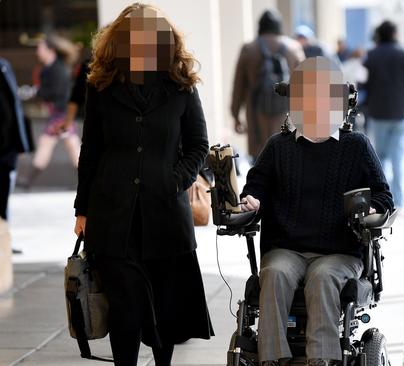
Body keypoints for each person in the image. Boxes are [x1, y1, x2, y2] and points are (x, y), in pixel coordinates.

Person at [72, 4, 213, 365]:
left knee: (164, 309)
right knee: (126, 306)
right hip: (112, 213)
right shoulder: (102, 86)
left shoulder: (181, 86)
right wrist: (82, 209)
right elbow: (91, 150)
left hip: (165, 212)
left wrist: (176, 179)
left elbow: (198, 145)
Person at [239, 56, 393, 366]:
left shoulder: (357, 146)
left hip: (339, 252)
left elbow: (383, 194)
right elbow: (256, 184)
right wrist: (251, 199)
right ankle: (271, 359)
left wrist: (373, 208)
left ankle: (322, 360)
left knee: (322, 277)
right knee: (275, 273)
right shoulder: (278, 147)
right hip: (287, 248)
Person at [359, 20, 404, 207]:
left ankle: (382, 199)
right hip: (402, 113)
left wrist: (365, 106)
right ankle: (398, 199)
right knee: (398, 155)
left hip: (377, 113)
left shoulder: (370, 56)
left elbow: (361, 84)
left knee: (379, 158)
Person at [231, 9, 305, 160]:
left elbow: (238, 86)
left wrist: (235, 114)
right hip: (287, 117)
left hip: (257, 120)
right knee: (288, 161)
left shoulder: (249, 49)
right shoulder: (294, 48)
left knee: (261, 164)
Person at [19, 34, 80, 188]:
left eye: (40, 48)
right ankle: (89, 181)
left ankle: (27, 181)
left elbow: (56, 92)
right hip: (60, 113)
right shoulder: (49, 69)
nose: (38, 52)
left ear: (50, 50)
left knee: (49, 143)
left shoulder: (58, 69)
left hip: (61, 114)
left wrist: (35, 92)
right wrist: (35, 92)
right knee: (72, 146)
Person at [0, 58, 33, 254]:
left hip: (5, 149)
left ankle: (3, 240)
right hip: (5, 147)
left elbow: (13, 107)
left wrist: (18, 144)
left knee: (3, 198)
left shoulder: (3, 66)